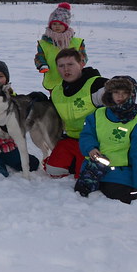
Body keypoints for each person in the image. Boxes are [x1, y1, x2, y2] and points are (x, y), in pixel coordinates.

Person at [76, 76, 137, 203]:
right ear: (109, 93)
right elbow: (86, 135)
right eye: (116, 92)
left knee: (123, 196)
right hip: (94, 170)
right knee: (80, 193)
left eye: (125, 93)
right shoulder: (97, 115)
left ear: (132, 95)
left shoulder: (136, 123)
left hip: (120, 174)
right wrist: (90, 148)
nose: (120, 96)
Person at [44, 47, 106, 178]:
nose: (66, 69)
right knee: (53, 170)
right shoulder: (57, 91)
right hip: (71, 139)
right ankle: (74, 161)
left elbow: (120, 100)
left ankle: (81, 163)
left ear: (81, 64)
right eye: (61, 66)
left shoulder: (97, 85)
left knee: (84, 175)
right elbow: (51, 111)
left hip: (95, 141)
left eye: (70, 64)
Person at [35, 2, 87, 91]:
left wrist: (80, 64)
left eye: (60, 24)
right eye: (54, 24)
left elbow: (83, 57)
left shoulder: (77, 42)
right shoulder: (44, 43)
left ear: (66, 25)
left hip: (73, 79)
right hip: (53, 79)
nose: (57, 27)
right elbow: (39, 57)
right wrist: (42, 65)